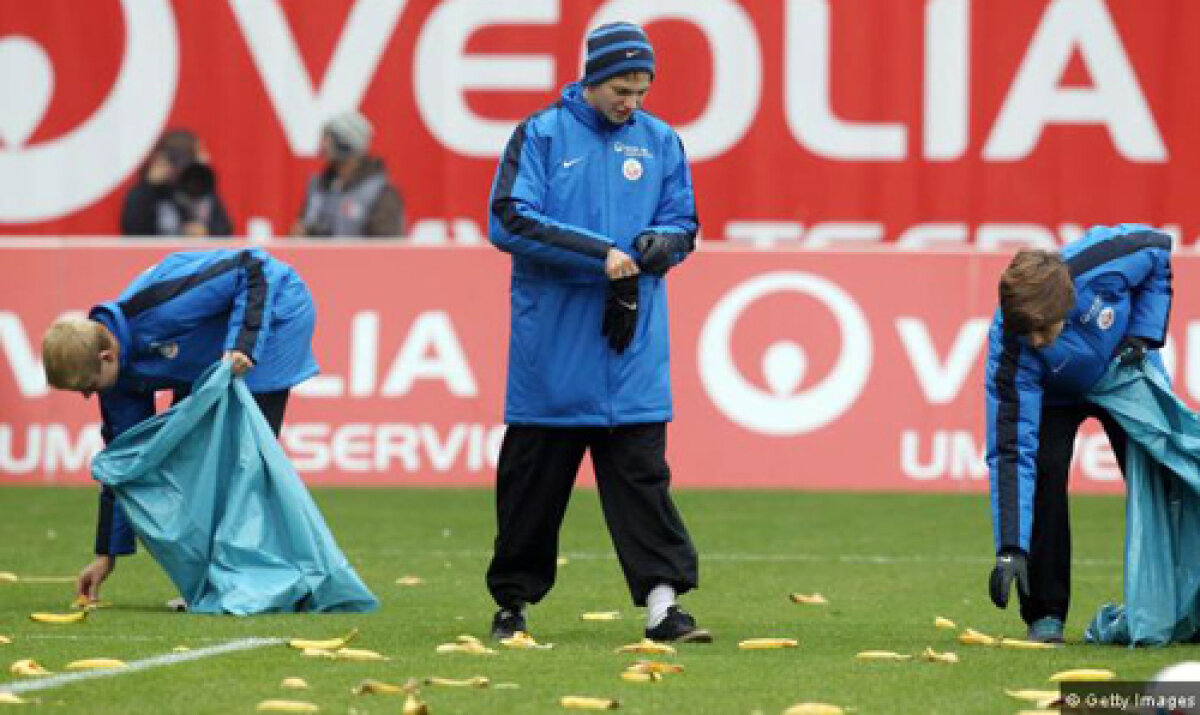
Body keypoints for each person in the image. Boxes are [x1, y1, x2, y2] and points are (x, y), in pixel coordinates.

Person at [484, 22, 708, 643]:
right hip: (552, 354)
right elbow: (508, 219)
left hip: (629, 349)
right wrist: (600, 253)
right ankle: (512, 607)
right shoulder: (541, 134)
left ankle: (665, 607)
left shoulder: (662, 141)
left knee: (643, 483)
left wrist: (656, 246)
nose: (630, 101)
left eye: (641, 90)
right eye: (621, 87)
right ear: (591, 77)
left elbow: (683, 224)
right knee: (531, 491)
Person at [41, 248, 319, 602]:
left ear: (106, 356)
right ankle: (220, 578)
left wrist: (243, 344)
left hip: (275, 314)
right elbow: (125, 463)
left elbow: (253, 267)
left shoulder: (161, 307)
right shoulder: (115, 379)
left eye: (88, 387)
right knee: (189, 458)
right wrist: (105, 556)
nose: (87, 397)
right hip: (207, 351)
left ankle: (266, 579)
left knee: (243, 457)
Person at [985, 224, 1173, 643]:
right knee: (1046, 474)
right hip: (1054, 397)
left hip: (1122, 372)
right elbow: (1012, 452)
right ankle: (1045, 614)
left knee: (1164, 476)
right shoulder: (1015, 348)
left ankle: (1181, 602)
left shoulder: (1108, 258)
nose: (1035, 342)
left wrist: (1144, 332)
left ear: (1065, 305)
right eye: (1025, 333)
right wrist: (1011, 547)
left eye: (1041, 330)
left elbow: (1160, 250)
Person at [291, 111, 405, 238]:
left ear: (346, 143)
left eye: (329, 140)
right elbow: (303, 228)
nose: (323, 146)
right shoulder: (318, 186)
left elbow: (388, 247)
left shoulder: (381, 193)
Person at [120, 129, 233, 238]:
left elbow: (225, 229)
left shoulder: (200, 186)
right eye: (200, 152)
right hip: (158, 255)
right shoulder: (150, 191)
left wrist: (207, 231)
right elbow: (132, 233)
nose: (207, 157)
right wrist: (147, 186)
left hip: (196, 254)